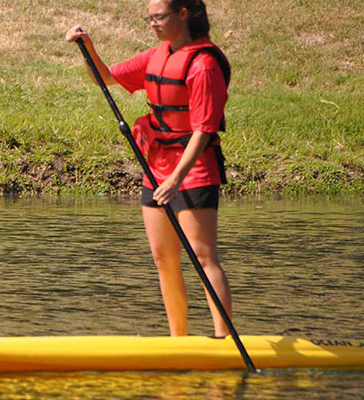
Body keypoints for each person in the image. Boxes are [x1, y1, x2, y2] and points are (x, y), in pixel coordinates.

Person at [66, 0, 233, 337]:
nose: (152, 24)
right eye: (150, 18)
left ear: (183, 14)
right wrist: (87, 47)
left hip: (194, 169)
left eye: (158, 17)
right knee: (163, 258)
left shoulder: (203, 65)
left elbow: (204, 131)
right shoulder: (156, 55)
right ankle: (178, 338)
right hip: (156, 166)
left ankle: (222, 339)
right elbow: (107, 77)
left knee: (203, 257)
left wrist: (176, 179)